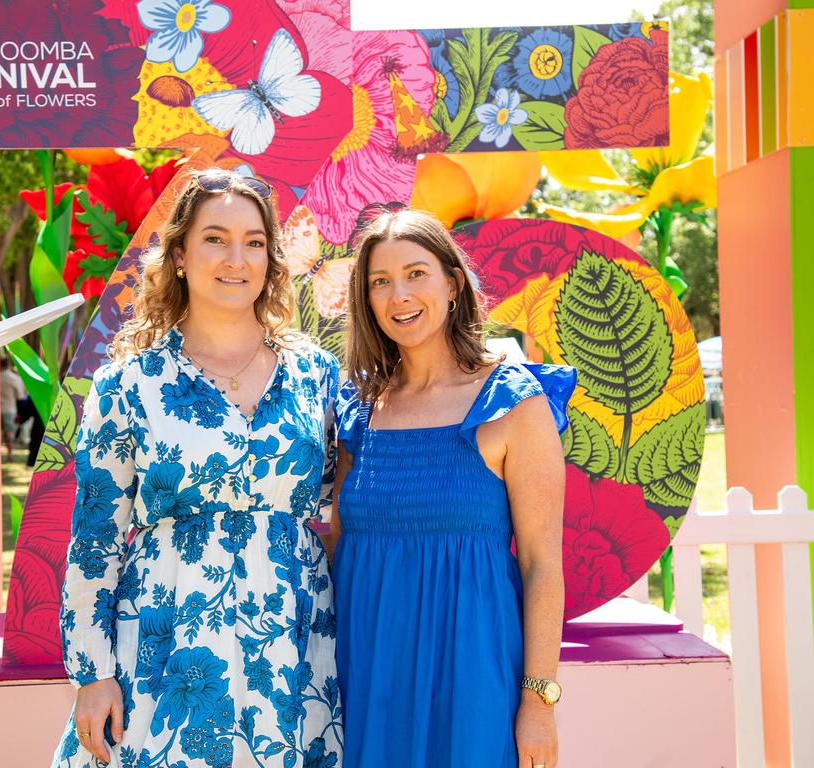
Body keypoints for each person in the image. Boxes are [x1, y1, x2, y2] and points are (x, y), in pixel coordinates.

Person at [52, 169, 343, 768]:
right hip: (164, 645)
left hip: (293, 648)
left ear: (271, 259)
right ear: (180, 255)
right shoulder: (127, 384)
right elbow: (94, 544)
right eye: (215, 238)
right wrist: (93, 672)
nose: (236, 258)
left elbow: (346, 508)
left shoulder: (317, 375)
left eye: (255, 241)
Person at [329, 209, 575, 768]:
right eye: (380, 282)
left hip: (474, 676)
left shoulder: (513, 403)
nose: (399, 295)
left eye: (416, 274)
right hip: (368, 673)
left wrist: (539, 703)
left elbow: (542, 563)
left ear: (453, 281)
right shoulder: (360, 410)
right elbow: (341, 546)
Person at [0, 356, 25, 462]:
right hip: (9, 408)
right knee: (9, 433)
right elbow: (20, 396)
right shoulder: (13, 378)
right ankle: (10, 453)